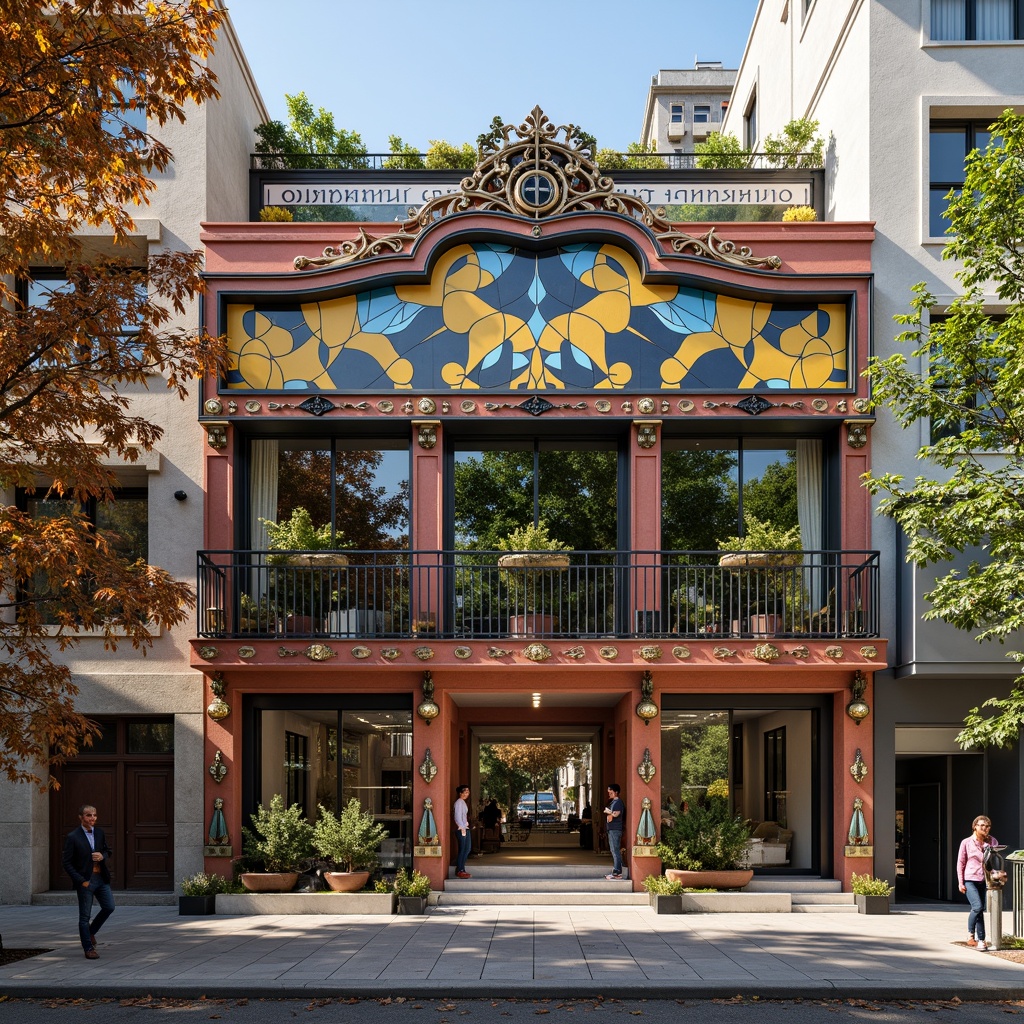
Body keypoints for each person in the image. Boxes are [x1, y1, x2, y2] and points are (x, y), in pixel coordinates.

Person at [62, 804, 114, 960]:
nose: (93, 818)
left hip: (101, 878)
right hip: (85, 881)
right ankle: (88, 948)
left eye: (94, 815)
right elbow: (67, 863)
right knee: (84, 916)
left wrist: (102, 855)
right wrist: (80, 881)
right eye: (88, 815)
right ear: (81, 817)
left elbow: (108, 850)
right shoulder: (73, 837)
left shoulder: (99, 833)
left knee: (109, 907)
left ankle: (91, 932)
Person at [957, 814, 998, 951]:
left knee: (980, 910)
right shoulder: (966, 842)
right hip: (970, 879)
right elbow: (960, 863)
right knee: (977, 907)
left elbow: (996, 858)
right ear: (975, 827)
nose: (985, 828)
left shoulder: (991, 842)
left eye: (987, 826)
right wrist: (960, 882)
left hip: (984, 879)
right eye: (982, 825)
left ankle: (981, 940)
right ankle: (970, 935)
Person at [603, 783, 625, 880]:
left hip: (615, 829)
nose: (609, 793)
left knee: (615, 850)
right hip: (612, 829)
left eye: (611, 792)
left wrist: (609, 812)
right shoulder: (613, 802)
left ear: (616, 792)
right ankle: (618, 870)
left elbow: (616, 814)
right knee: (614, 850)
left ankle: (617, 872)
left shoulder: (618, 802)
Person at [453, 784, 472, 878]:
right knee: (463, 849)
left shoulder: (463, 802)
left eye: (468, 792)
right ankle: (460, 870)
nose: (467, 794)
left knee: (467, 849)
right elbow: (457, 816)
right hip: (461, 829)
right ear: (460, 793)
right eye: (465, 792)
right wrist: (462, 827)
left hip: (465, 828)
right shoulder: (459, 802)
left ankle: (462, 868)